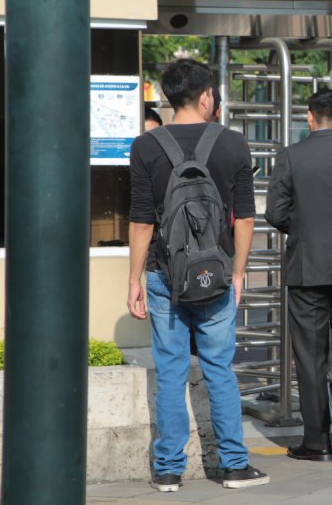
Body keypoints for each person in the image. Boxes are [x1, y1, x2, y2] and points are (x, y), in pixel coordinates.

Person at [125, 59, 269, 492]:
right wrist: (239, 271)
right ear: (206, 96)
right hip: (218, 273)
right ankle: (234, 465)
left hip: (164, 274)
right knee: (220, 369)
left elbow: (141, 222)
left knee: (170, 371)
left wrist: (135, 280)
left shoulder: (146, 146)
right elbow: (245, 218)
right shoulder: (233, 144)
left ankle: (168, 470)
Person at [264, 89, 332, 461]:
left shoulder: (290, 156)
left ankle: (317, 441)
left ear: (309, 117)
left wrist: (304, 229)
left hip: (307, 267)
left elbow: (275, 213)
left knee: (311, 359)